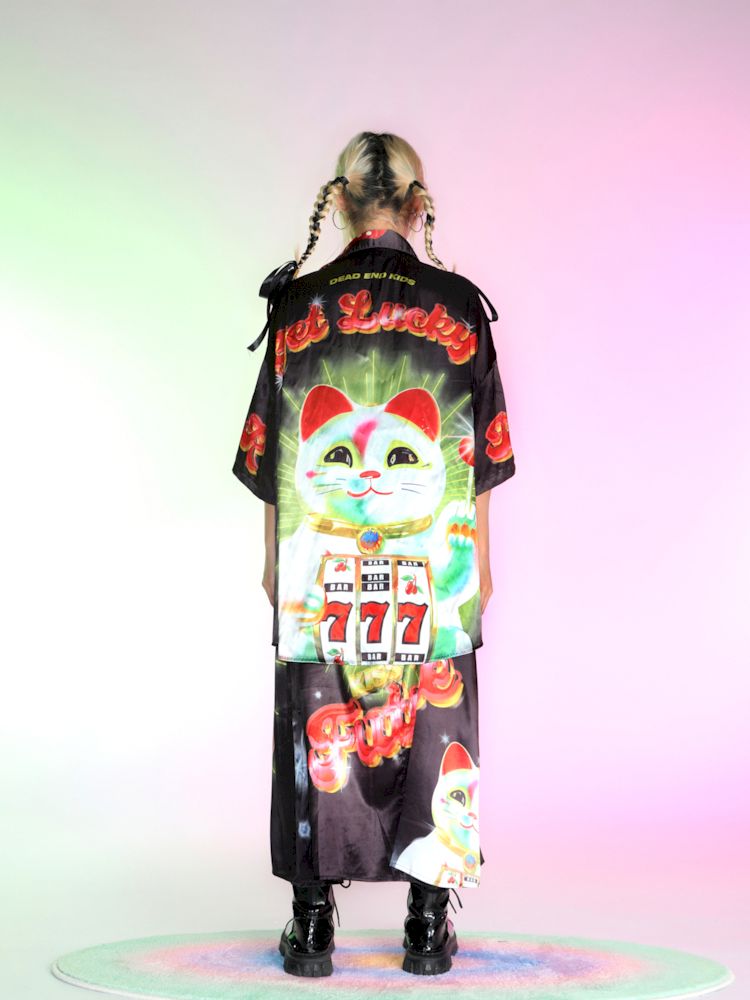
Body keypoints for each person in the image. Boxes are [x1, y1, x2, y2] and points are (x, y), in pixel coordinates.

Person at [231, 131, 516, 977]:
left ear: (341, 203)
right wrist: (482, 563)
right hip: (436, 563)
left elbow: (272, 449)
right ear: (419, 207)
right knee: (437, 727)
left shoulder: (297, 307)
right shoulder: (459, 304)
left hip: (316, 561)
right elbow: (483, 452)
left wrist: (273, 559)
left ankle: (312, 925)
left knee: (314, 725)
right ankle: (427, 926)